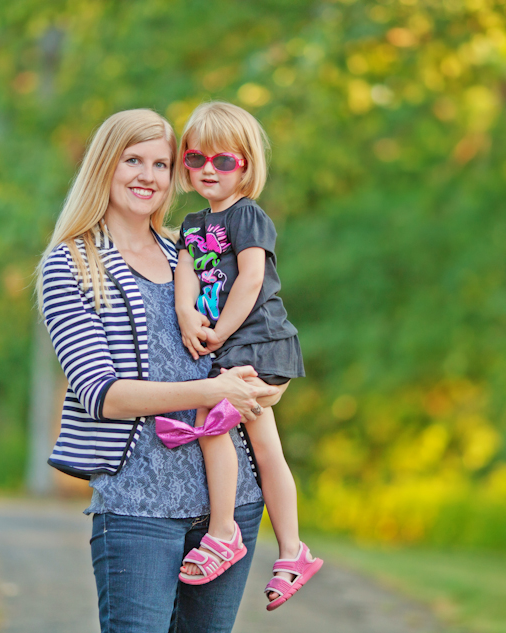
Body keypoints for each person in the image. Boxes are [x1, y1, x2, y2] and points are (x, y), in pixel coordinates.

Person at [35, 108, 280, 633]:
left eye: (162, 164)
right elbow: (102, 394)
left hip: (227, 510)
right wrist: (213, 388)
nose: (147, 175)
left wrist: (262, 389)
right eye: (133, 160)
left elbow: (250, 338)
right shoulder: (72, 265)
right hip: (138, 507)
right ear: (105, 165)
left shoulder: (192, 251)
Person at [159, 101, 321, 611]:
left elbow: (251, 280)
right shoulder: (192, 222)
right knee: (261, 443)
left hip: (257, 342)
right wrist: (187, 313)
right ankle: (293, 551)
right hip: (230, 347)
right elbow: (186, 271)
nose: (208, 169)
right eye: (196, 158)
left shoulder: (248, 215)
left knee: (211, 418)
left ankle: (226, 532)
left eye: (222, 161)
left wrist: (218, 333)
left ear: (245, 165)